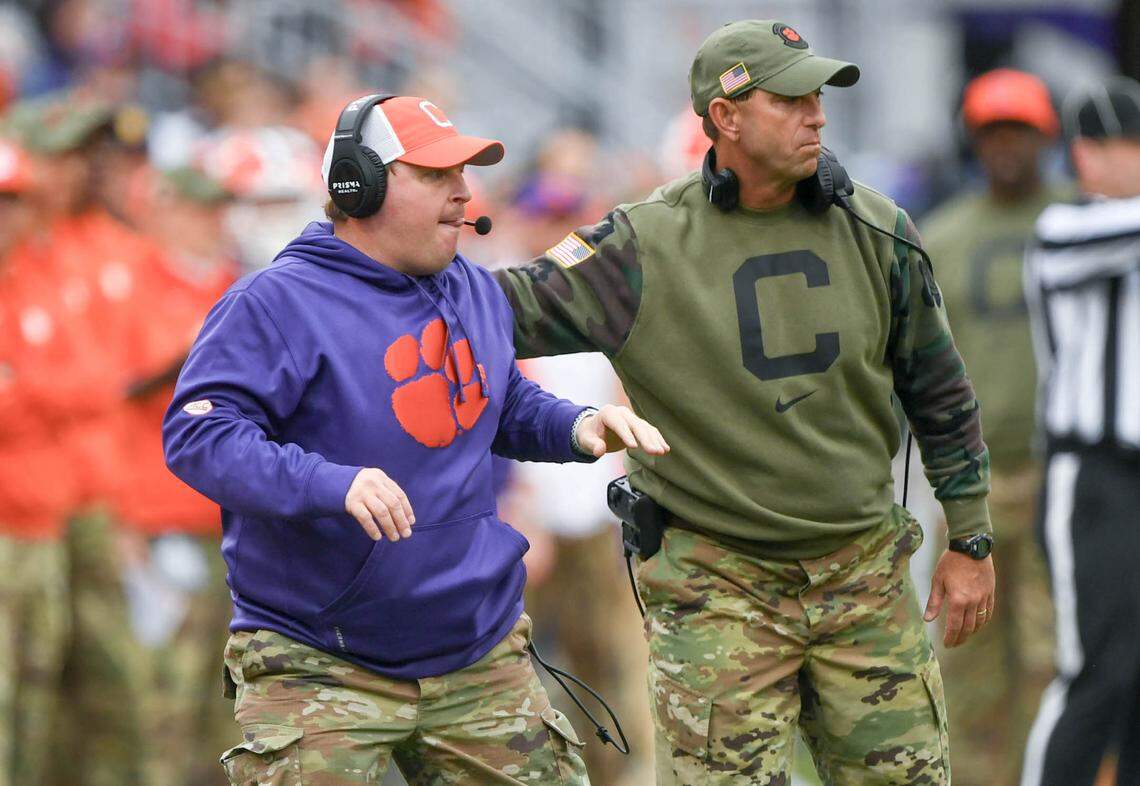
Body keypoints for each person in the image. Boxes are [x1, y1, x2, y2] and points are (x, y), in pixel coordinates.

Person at [495, 20, 995, 784]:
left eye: (819, 96)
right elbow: (499, 307)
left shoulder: (878, 227)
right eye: (792, 98)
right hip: (716, 586)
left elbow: (941, 391)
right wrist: (361, 263)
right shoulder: (642, 244)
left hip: (861, 576)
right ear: (725, 118)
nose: (817, 115)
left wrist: (970, 538)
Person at [162, 93, 668, 786]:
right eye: (436, 175)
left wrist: (576, 425)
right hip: (321, 658)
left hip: (477, 647)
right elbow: (200, 437)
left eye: (464, 173)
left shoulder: (471, 287)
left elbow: (499, 399)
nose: (464, 192)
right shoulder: (275, 302)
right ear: (359, 185)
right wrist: (332, 482)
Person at [921, 68, 1070, 786]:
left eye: (1020, 131)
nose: (1006, 146)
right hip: (968, 483)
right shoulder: (942, 236)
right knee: (966, 660)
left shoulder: (1084, 217)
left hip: (1062, 475)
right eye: (992, 132)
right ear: (973, 140)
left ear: (1046, 137)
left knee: (1056, 655)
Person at [1020, 76, 1140, 786]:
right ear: (1085, 156)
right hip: (1090, 476)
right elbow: (1102, 242)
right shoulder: (1064, 228)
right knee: (1094, 667)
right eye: (1120, 144)